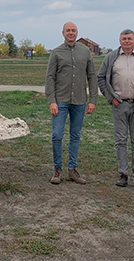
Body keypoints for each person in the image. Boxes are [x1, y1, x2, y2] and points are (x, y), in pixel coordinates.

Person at [98, 29, 134, 189]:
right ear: (119, 41)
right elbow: (101, 78)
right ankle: (123, 174)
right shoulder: (111, 58)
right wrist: (111, 98)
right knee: (121, 141)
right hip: (119, 104)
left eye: (129, 39)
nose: (127, 41)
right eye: (124, 39)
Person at [45, 22, 97, 185]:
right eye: (68, 30)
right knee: (57, 134)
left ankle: (72, 169)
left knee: (75, 135)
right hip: (60, 101)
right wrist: (51, 100)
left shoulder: (85, 52)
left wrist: (92, 100)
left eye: (73, 30)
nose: (71, 33)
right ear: (63, 33)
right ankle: (57, 169)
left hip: (79, 101)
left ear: (77, 33)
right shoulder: (56, 53)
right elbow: (50, 77)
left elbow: (92, 76)